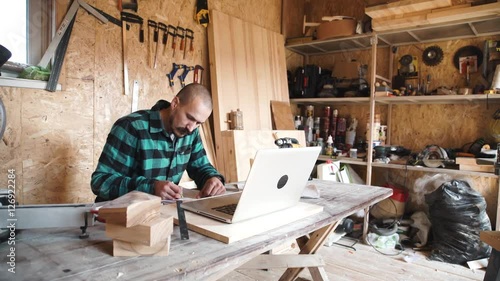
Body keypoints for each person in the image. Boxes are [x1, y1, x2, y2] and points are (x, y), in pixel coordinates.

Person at [91, 83, 225, 202]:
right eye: (190, 118)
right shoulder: (131, 127)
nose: (191, 128)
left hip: (159, 216)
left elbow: (201, 167)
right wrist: (150, 188)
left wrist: (212, 179)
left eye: (198, 123)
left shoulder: (190, 133)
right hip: (117, 219)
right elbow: (100, 182)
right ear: (175, 103)